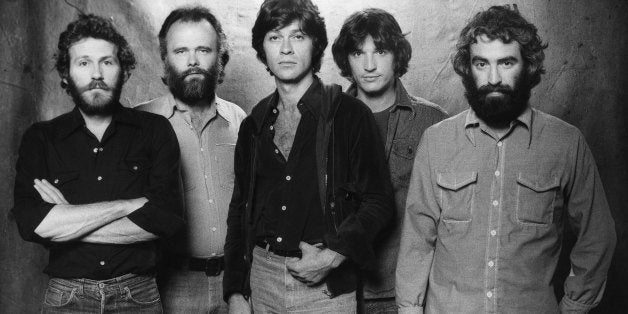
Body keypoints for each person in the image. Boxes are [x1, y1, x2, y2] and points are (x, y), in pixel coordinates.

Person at [395, 5, 616, 313]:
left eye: (507, 62)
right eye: (481, 63)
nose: (493, 77)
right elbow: (416, 243)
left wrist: (573, 306)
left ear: (528, 66)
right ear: (468, 68)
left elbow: (597, 236)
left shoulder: (566, 143)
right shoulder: (436, 141)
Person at [223, 0, 394, 312]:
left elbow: (379, 202)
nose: (286, 48)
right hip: (261, 280)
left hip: (325, 288)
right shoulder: (253, 124)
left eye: (298, 36)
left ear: (316, 45)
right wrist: (235, 291)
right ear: (262, 48)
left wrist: (332, 257)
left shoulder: (349, 115)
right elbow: (238, 213)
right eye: (275, 37)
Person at [11, 14, 183, 313]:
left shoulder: (155, 130)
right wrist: (127, 205)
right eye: (83, 63)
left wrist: (65, 219)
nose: (97, 74)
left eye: (107, 62)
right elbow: (31, 223)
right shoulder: (41, 138)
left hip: (138, 295)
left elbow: (165, 219)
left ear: (124, 70)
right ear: (66, 74)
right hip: (67, 298)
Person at [331, 8, 447, 313]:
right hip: (337, 291)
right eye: (358, 52)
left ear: (397, 55)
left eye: (380, 51)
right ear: (347, 59)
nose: (369, 65)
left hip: (407, 295)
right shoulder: (325, 121)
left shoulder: (431, 123)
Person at [135, 6, 246, 313]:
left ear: (220, 58)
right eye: (181, 50)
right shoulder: (139, 123)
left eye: (203, 49)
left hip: (237, 283)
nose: (193, 60)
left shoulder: (239, 120)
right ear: (165, 60)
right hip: (173, 285)